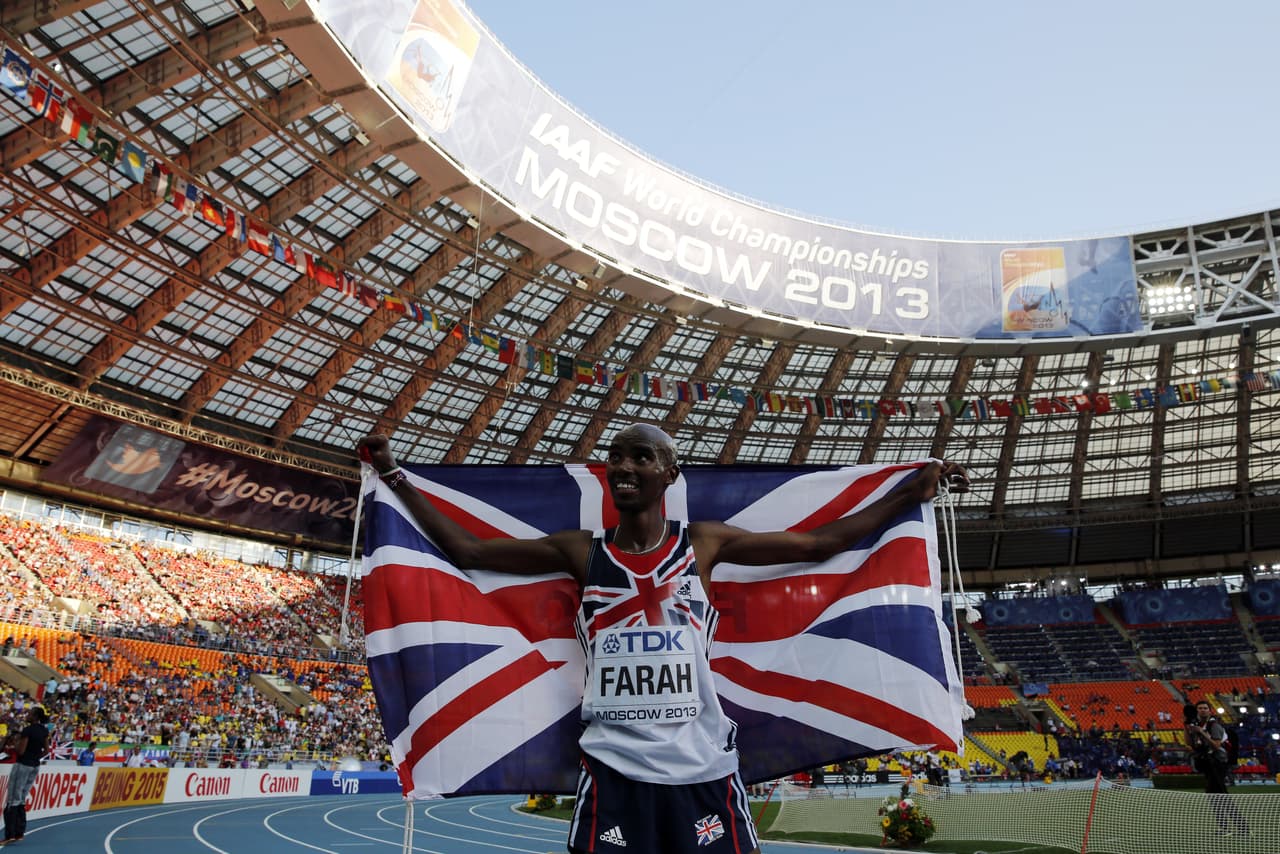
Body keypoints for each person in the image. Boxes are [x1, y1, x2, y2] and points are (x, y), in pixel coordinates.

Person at [359, 425, 967, 854]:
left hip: (701, 763)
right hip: (614, 766)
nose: (624, 467)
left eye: (642, 457)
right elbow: (469, 551)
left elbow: (821, 546)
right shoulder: (583, 550)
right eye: (617, 457)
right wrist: (393, 475)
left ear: (669, 473)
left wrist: (909, 493)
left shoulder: (703, 544)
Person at [1187, 699, 1248, 836]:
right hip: (1208, 763)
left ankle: (1242, 828)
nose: (1202, 710)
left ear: (1210, 710)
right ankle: (1226, 828)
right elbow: (1189, 743)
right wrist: (1187, 728)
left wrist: (1201, 733)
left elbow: (1216, 745)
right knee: (1214, 795)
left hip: (1219, 762)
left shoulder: (1214, 725)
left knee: (1220, 795)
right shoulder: (1199, 725)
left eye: (1205, 708)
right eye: (1200, 708)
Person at [2, 706, 49, 845]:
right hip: (35, 766)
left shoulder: (28, 730)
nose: (27, 715)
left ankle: (10, 834)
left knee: (12, 800)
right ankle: (20, 832)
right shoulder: (44, 730)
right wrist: (35, 757)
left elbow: (21, 751)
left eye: (29, 713)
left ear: (34, 716)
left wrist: (13, 744)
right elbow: (46, 750)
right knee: (22, 798)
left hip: (22, 765)